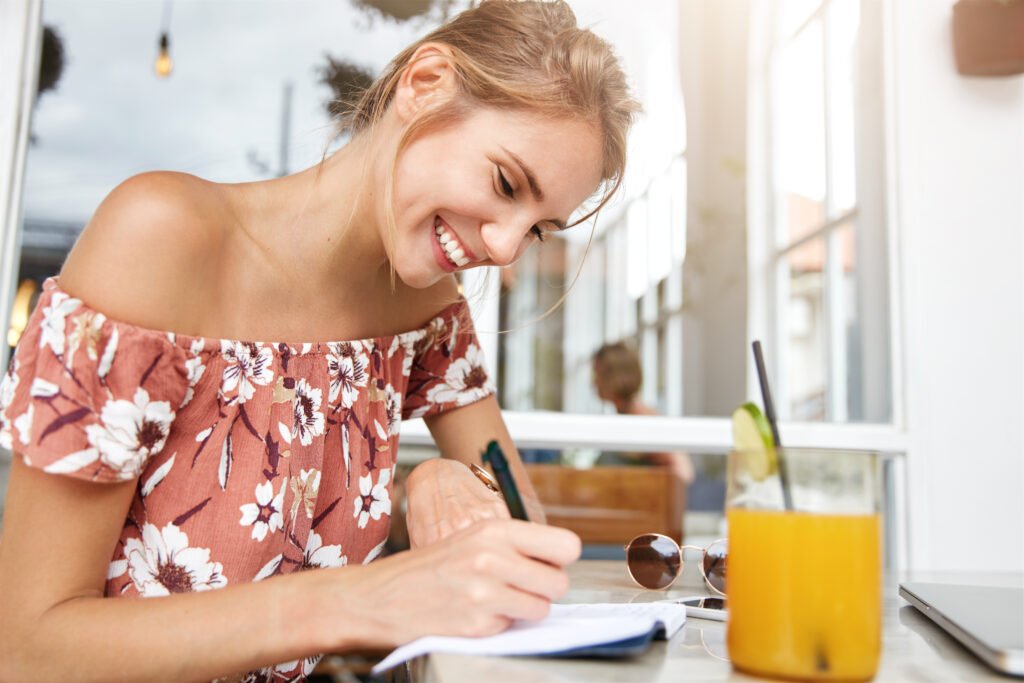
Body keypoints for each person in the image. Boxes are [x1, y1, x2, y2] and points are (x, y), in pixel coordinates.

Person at [0, 2, 640, 681]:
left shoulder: (425, 311)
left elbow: (525, 539)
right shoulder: (160, 239)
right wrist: (356, 600)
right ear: (425, 84)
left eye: (538, 229)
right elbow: (26, 649)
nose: (506, 248)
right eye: (506, 183)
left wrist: (440, 477)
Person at [592, 342, 695, 484]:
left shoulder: (644, 420)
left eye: (597, 374)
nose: (594, 382)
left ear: (614, 376)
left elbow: (684, 472)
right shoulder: (624, 418)